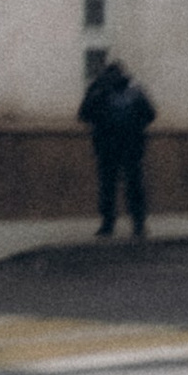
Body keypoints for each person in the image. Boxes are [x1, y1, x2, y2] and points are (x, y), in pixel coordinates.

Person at [78, 54, 156, 240]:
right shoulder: (135, 90)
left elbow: (83, 115)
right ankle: (138, 224)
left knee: (108, 186)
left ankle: (108, 225)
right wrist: (136, 127)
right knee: (133, 185)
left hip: (107, 147)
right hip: (131, 146)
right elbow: (150, 114)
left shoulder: (98, 89)